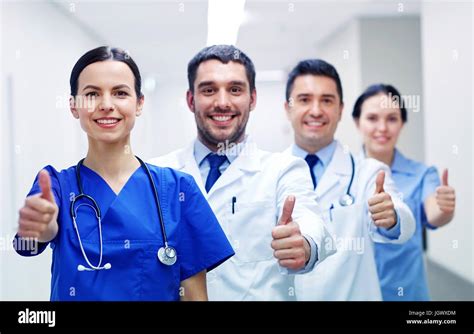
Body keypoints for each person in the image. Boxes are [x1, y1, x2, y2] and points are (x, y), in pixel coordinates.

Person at [14, 46, 234, 301]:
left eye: (120, 93)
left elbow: (195, 297)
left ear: (139, 103)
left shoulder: (179, 190)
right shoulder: (56, 186)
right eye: (92, 94)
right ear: (74, 106)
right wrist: (37, 229)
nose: (106, 105)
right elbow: (28, 244)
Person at [149, 45, 335, 301]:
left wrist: (304, 242)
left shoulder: (283, 169)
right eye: (209, 90)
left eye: (235, 89)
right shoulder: (155, 174)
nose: (222, 102)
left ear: (252, 98)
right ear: (191, 100)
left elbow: (313, 222)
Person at [284, 59, 415, 300]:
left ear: (340, 110)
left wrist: (392, 217)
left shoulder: (368, 172)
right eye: (304, 100)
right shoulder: (269, 174)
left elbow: (404, 223)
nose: (316, 110)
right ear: (288, 107)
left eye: (327, 100)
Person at [352, 83, 456, 300]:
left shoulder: (422, 173)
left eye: (392, 119)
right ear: (357, 122)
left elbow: (434, 214)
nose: (382, 127)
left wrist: (444, 209)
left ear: (402, 124)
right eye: (372, 118)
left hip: (406, 293)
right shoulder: (343, 174)